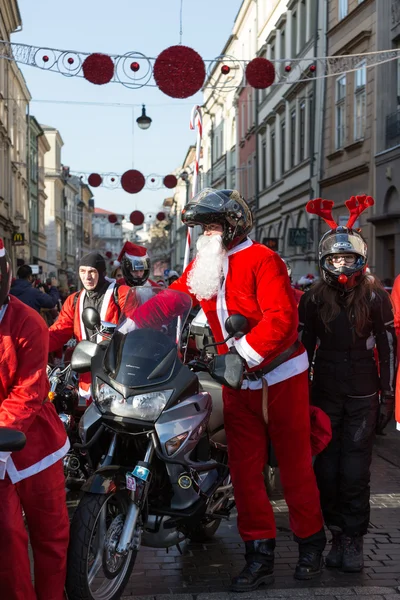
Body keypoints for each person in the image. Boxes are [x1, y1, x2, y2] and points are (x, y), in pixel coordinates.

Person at [170, 188, 326, 591]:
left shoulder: (264, 259)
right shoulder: (205, 264)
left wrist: (245, 353)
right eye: (202, 226)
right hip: (236, 379)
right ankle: (259, 556)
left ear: (232, 226)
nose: (205, 233)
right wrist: (133, 325)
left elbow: (281, 320)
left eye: (211, 225)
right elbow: (172, 300)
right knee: (243, 472)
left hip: (280, 377)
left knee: (293, 466)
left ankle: (310, 545)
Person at [299, 195, 396, 572]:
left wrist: (386, 397)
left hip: (362, 394)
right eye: (335, 259)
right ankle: (336, 534)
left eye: (347, 258)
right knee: (325, 470)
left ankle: (353, 540)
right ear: (326, 261)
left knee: (355, 471)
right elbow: (302, 352)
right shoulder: (312, 299)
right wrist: (300, 396)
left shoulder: (375, 297)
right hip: (324, 392)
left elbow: (388, 349)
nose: (341, 264)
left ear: (359, 259)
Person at [0, 239, 69, 600]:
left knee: (51, 534)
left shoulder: (28, 322)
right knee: (8, 540)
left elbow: (29, 389)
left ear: (7, 275)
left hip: (36, 448)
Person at [48, 251, 130, 403]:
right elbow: (59, 331)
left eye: (92, 271)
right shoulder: (74, 299)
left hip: (117, 372)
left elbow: (137, 326)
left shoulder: (121, 294)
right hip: (86, 374)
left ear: (102, 272)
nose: (87, 277)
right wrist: (31, 343)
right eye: (82, 271)